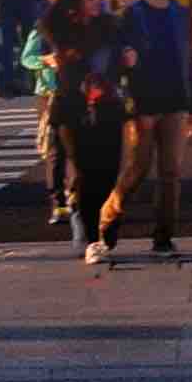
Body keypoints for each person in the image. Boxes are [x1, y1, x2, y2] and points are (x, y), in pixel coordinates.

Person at [108, 0, 192, 262]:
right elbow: (119, 63)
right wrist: (135, 107)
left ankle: (163, 238)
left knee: (171, 171)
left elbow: (189, 61)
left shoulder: (180, 13)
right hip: (144, 106)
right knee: (137, 168)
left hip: (175, 102)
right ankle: (111, 211)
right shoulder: (132, 15)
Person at [53, 26, 135, 270]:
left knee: (109, 178)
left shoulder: (108, 29)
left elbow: (122, 51)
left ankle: (104, 236)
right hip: (73, 108)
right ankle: (91, 239)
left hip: (107, 109)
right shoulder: (65, 26)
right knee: (83, 176)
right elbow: (49, 25)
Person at [31, 0, 103, 230]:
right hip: (58, 96)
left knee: (84, 156)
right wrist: (46, 61)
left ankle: (77, 199)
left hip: (89, 99)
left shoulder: (96, 25)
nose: (93, 2)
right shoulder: (60, 25)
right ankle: (59, 200)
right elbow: (45, 25)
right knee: (57, 151)